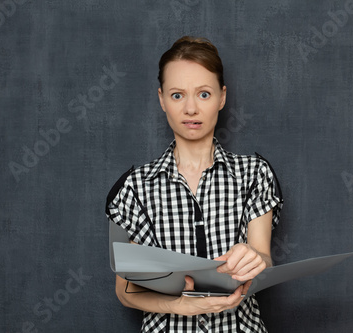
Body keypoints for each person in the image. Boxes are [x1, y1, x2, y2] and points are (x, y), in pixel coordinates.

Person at [106, 36, 283, 333]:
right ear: (161, 99)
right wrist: (182, 306)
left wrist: (256, 259)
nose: (190, 109)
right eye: (177, 95)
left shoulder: (255, 174)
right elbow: (126, 290)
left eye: (203, 94)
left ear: (222, 97)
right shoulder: (133, 189)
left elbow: (264, 258)